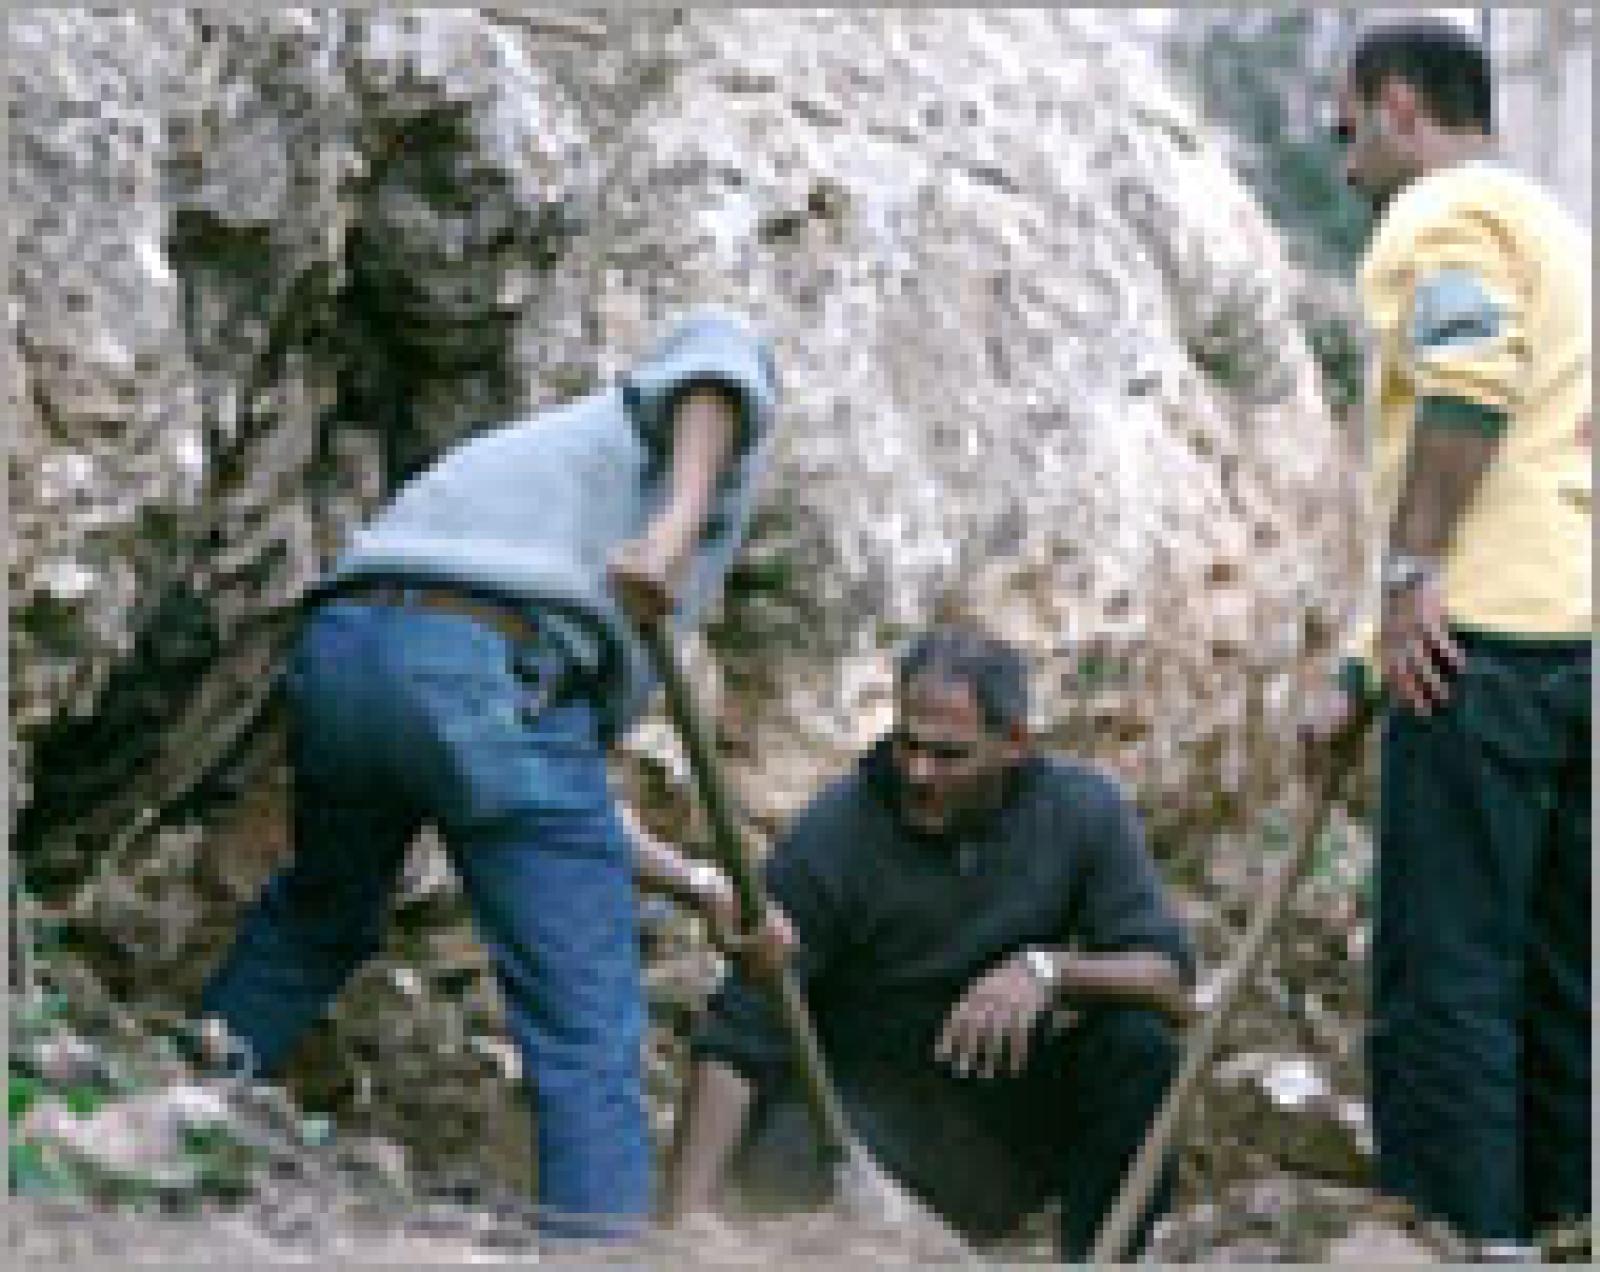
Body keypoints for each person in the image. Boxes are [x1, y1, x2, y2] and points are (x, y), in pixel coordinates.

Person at [196, 310, 784, 1236]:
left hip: (348, 651)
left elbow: (559, 790)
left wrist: (700, 885)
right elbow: (721, 352)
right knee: (585, 1022)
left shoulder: (546, 486)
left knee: (319, 917)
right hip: (485, 661)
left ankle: (178, 1121)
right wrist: (674, 530)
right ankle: (600, 1252)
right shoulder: (679, 444)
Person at [1311, 19, 1592, 1255]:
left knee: (1446, 966)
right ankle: (1563, 1218)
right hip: (1564, 638)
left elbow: (1469, 388)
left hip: (1473, 644)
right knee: (1555, 967)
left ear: (1396, 104)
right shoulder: (1560, 235)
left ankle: (1466, 1233)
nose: (1341, 155)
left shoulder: (1436, 220)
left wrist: (1409, 577)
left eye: (1346, 124)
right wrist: (1365, 660)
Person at [664, 623, 1195, 1260]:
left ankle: (1105, 1259)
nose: (918, 774)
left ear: (1014, 745)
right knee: (782, 1168)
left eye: (948, 756)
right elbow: (741, 1028)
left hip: (1002, 1124)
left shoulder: (1082, 812)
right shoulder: (840, 830)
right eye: (906, 746)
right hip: (860, 1126)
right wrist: (683, 1224)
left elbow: (1168, 980)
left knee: (1137, 1048)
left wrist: (1047, 971)